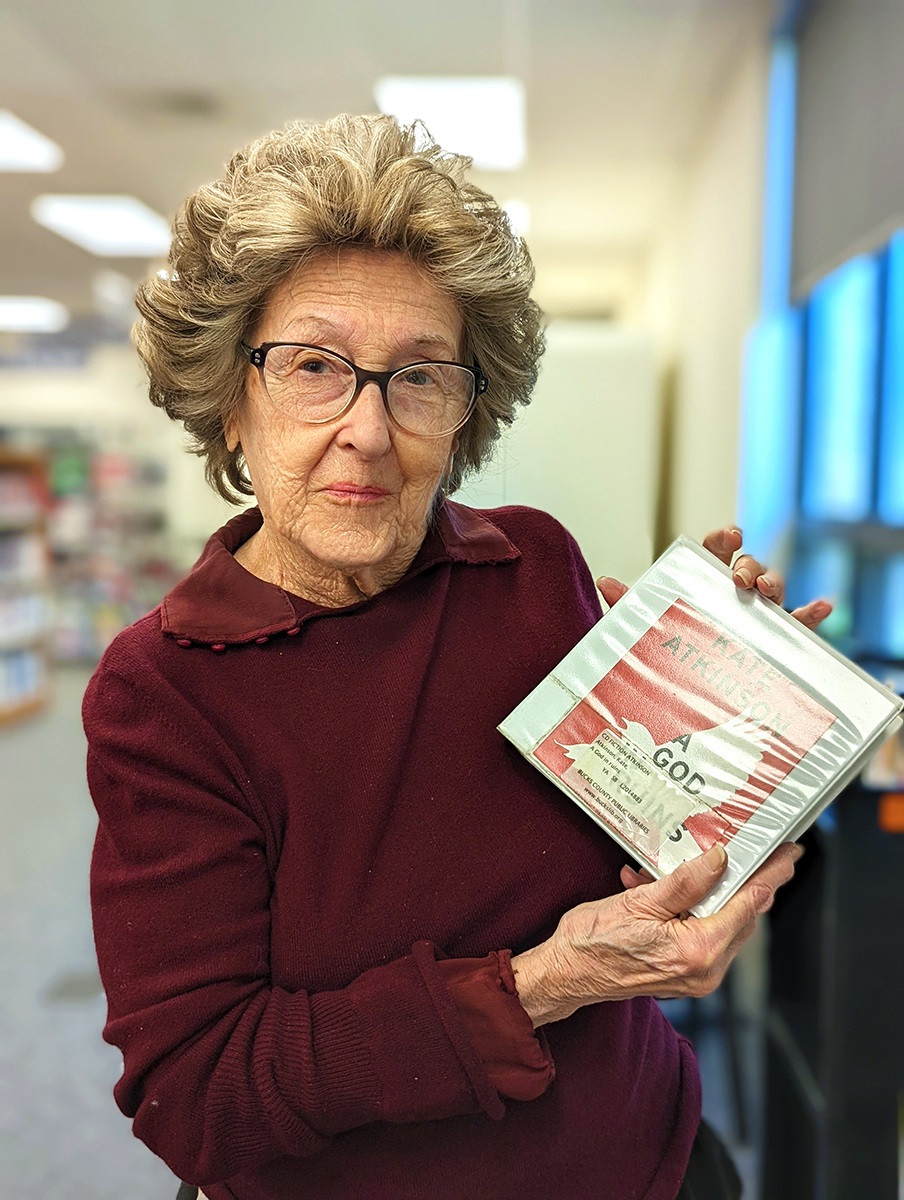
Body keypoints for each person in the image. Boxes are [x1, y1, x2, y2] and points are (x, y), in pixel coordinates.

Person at [84, 114, 829, 1200]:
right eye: (312, 367)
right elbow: (198, 1098)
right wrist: (541, 987)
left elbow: (655, 828)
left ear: (465, 415)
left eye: (420, 377)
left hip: (659, 1160)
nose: (369, 430)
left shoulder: (531, 567)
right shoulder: (168, 693)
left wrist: (758, 714)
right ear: (229, 403)